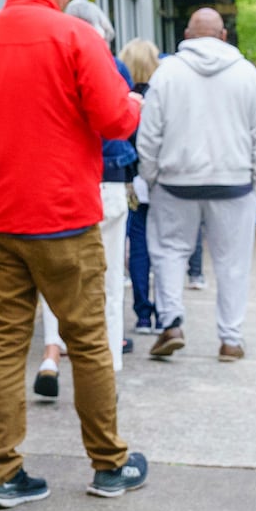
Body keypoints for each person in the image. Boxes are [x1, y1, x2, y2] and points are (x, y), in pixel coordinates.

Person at [0, 0, 149, 506]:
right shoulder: (74, 36)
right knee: (87, 342)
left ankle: (1, 472)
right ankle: (109, 463)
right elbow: (115, 121)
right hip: (64, 216)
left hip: (0, 216)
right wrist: (134, 101)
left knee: (8, 344)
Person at [137, 7, 256, 362]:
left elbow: (149, 134)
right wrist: (255, 182)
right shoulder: (247, 75)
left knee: (169, 251)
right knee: (233, 263)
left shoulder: (167, 73)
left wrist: (151, 177)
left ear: (186, 35)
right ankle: (230, 340)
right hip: (234, 183)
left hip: (175, 182)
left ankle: (170, 323)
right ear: (224, 36)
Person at [34, 0, 134, 399]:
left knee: (55, 280)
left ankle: (51, 355)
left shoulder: (48, 63)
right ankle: (107, 366)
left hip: (60, 184)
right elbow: (120, 125)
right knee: (109, 282)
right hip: (108, 182)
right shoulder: (111, 64)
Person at [118, 38, 160, 333]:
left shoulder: (121, 97)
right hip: (160, 180)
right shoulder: (162, 96)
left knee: (138, 248)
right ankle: (167, 313)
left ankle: (143, 313)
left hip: (130, 184)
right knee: (166, 249)